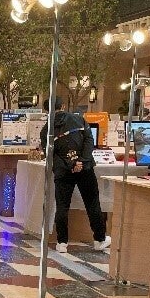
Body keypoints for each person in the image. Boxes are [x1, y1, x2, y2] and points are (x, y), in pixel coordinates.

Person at [40, 99, 110, 253]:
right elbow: (89, 140)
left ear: (46, 110)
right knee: (92, 203)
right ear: (63, 106)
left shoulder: (46, 130)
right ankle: (99, 239)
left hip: (63, 172)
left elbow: (51, 155)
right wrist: (81, 161)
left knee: (62, 206)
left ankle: (62, 242)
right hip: (85, 169)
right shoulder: (79, 119)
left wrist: (70, 164)